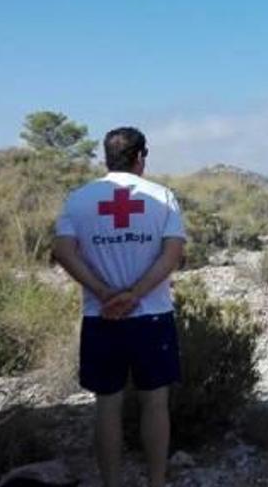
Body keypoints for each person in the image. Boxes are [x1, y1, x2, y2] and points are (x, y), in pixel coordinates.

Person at [52, 127, 186, 487]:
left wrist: (104, 292)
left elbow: (63, 250)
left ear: (105, 157)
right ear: (141, 156)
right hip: (152, 316)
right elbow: (172, 254)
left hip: (100, 316)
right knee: (155, 403)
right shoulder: (163, 196)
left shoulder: (79, 199)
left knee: (106, 405)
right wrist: (135, 294)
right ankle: (156, 482)